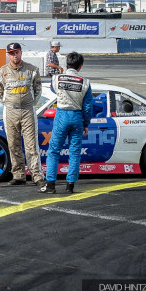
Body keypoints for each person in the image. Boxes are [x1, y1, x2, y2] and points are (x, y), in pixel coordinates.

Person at [0, 43, 43, 186]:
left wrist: (31, 103)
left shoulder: (32, 70)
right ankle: (19, 175)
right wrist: (9, 103)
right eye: (11, 53)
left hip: (28, 110)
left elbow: (38, 90)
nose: (14, 56)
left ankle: (37, 175)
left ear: (21, 52)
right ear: (8, 55)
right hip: (10, 111)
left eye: (17, 52)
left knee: (31, 145)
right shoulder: (0, 72)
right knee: (13, 144)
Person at [42, 52, 92, 194]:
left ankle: (50, 185)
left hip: (62, 114)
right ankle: (70, 186)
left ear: (66, 64)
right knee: (75, 153)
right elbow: (88, 106)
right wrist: (86, 124)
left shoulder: (56, 79)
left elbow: (53, 89)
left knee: (53, 151)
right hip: (77, 116)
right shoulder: (86, 82)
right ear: (80, 66)